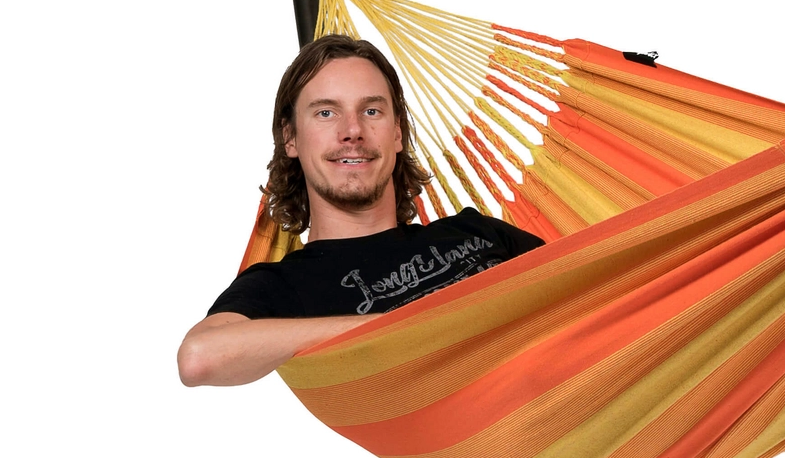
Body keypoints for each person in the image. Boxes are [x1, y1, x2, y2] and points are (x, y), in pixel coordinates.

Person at [178, 35, 543, 387]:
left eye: (371, 111)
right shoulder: (285, 288)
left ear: (397, 133)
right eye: (326, 112)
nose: (353, 130)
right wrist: (394, 329)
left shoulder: (478, 231)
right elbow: (198, 358)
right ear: (290, 138)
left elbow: (577, 288)